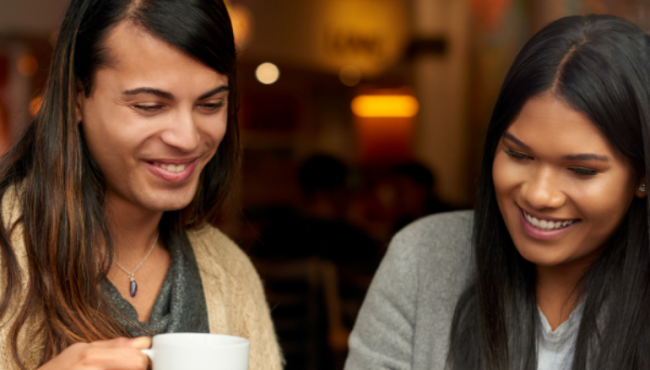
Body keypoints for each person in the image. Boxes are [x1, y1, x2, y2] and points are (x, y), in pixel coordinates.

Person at [345, 14, 650, 370]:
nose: (539, 194)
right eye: (518, 155)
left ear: (641, 175)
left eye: (582, 170)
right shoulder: (422, 261)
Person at [0, 0, 282, 369]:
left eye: (210, 104)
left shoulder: (230, 272)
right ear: (76, 98)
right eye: (149, 106)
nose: (187, 137)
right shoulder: (9, 253)